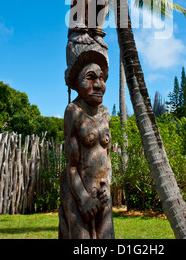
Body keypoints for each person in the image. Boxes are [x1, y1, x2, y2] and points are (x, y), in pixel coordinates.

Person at [59, 62, 114, 239]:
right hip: (80, 195)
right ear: (76, 82)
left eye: (101, 78)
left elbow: (108, 156)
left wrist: (108, 183)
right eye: (90, 78)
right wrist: (82, 197)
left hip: (103, 193)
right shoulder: (73, 111)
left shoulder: (105, 113)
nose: (98, 84)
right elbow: (71, 165)